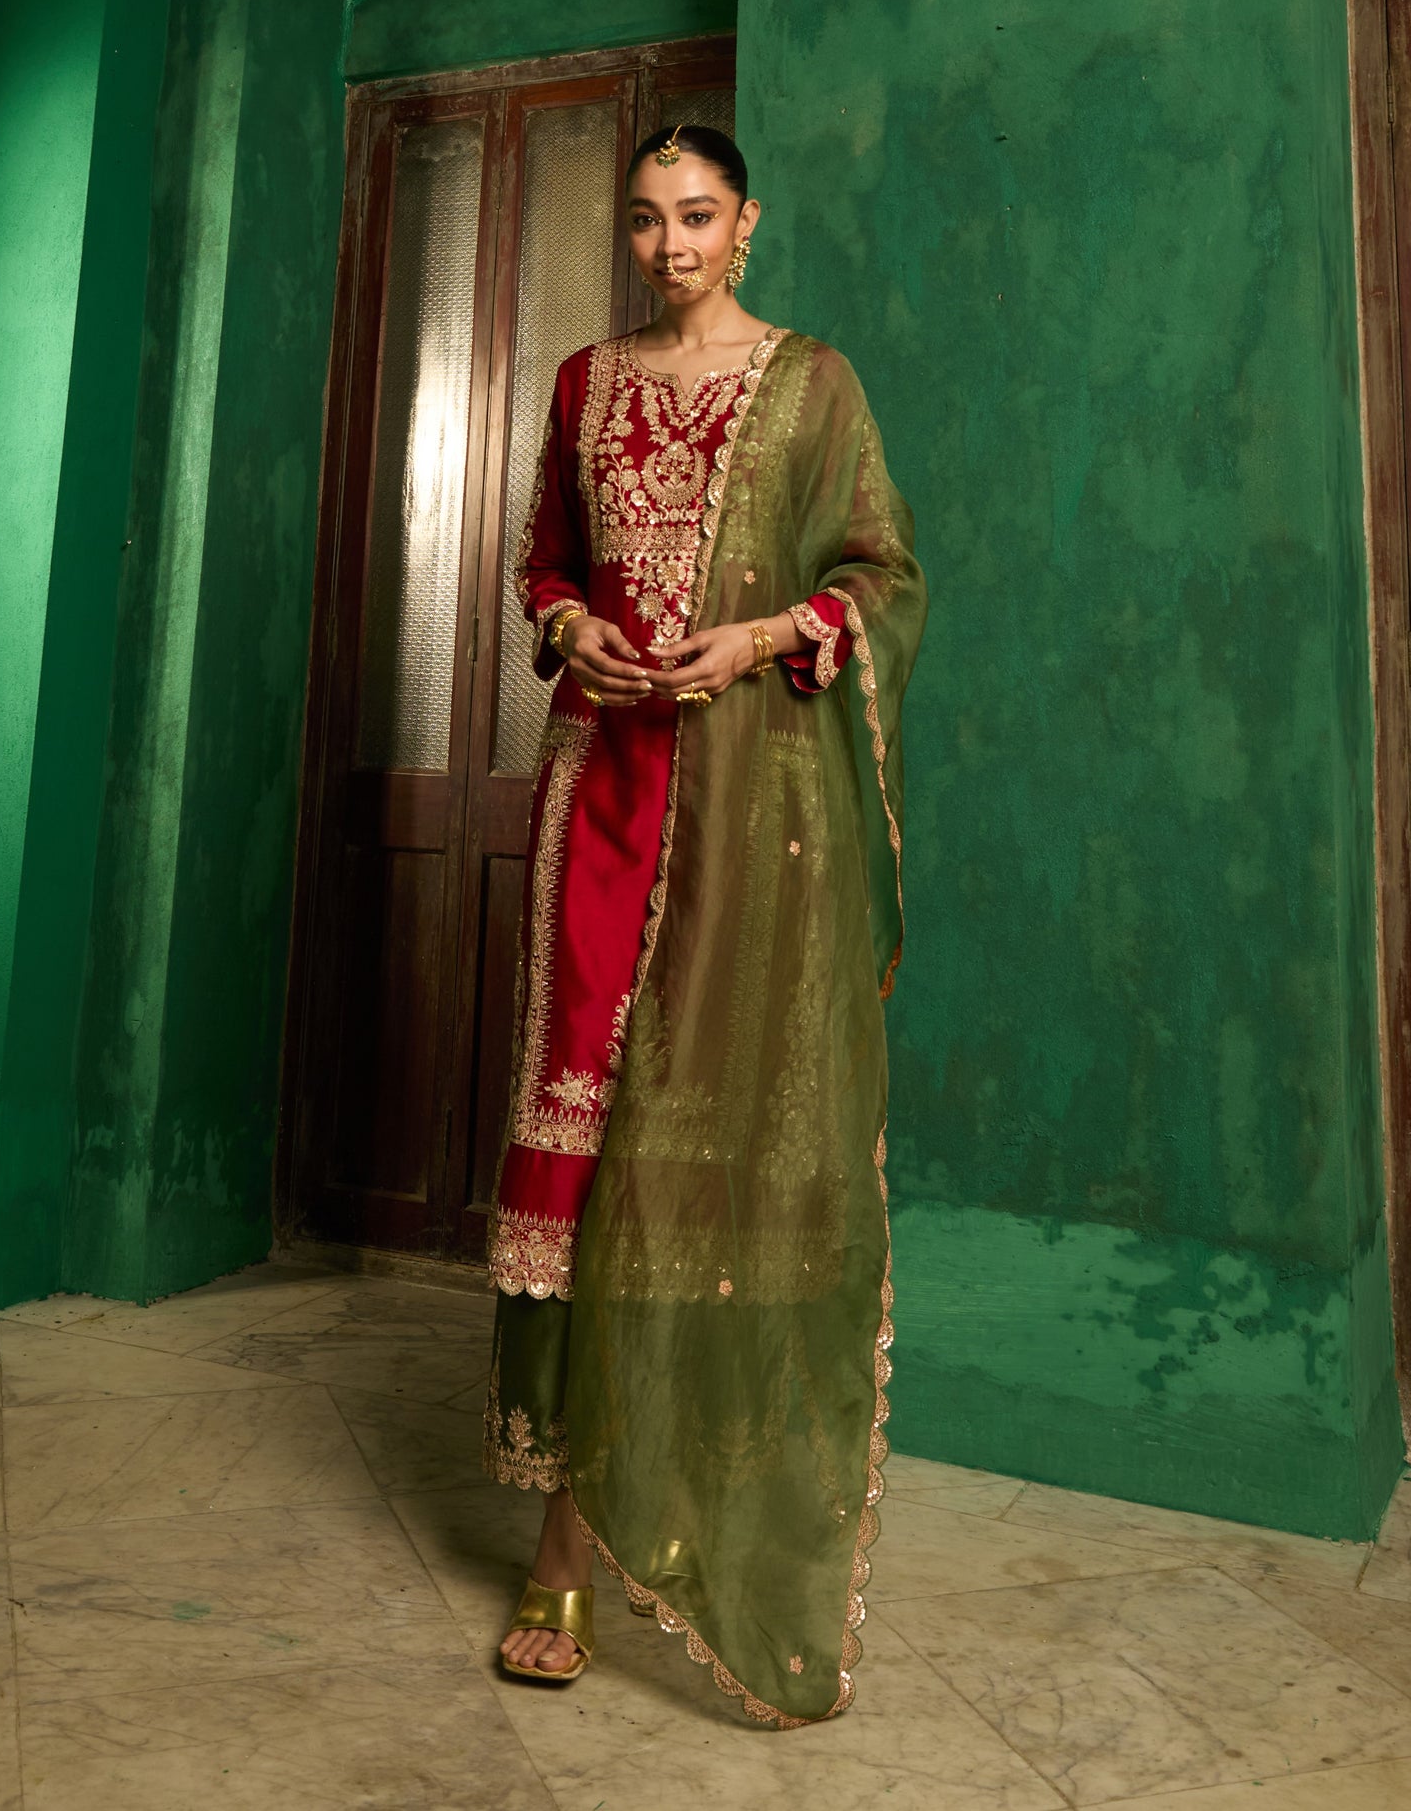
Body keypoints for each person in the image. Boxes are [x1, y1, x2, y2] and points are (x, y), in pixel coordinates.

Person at [485, 122, 926, 1726]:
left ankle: (703, 1496)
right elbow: (542, 562)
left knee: (709, 1151)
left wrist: (758, 639)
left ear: (747, 222)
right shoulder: (584, 383)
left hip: (752, 820)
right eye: (644, 219)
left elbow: (880, 578)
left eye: (695, 217)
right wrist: (569, 628)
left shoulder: (812, 386)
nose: (667, 246)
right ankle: (563, 1543)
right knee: (579, 1151)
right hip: (599, 801)